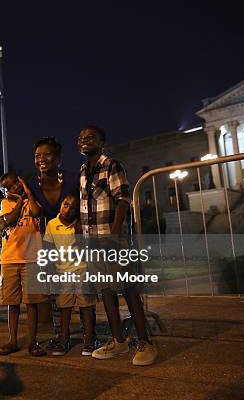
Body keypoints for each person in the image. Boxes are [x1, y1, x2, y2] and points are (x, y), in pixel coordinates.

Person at [77, 125, 158, 366]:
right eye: (80, 138)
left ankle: (145, 342)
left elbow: (122, 200)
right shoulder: (83, 170)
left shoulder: (112, 165)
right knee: (106, 291)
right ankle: (118, 340)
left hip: (113, 240)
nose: (84, 141)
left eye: (90, 137)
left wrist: (113, 236)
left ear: (102, 142)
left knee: (128, 289)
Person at [27, 137, 95, 348]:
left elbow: (88, 202)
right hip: (51, 240)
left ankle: (89, 337)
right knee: (58, 291)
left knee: (85, 292)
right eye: (37, 156)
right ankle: (61, 335)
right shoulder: (32, 184)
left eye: (47, 155)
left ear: (58, 158)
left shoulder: (73, 180)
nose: (41, 159)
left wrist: (80, 223)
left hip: (78, 241)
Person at [0, 172, 48, 356]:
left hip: (31, 259)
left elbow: (37, 212)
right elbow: (9, 221)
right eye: (8, 187)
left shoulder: (31, 201)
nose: (14, 188)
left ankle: (33, 342)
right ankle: (13, 340)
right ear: (4, 192)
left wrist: (28, 193)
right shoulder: (5, 204)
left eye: (16, 183)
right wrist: (18, 200)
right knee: (12, 303)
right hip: (10, 259)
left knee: (31, 303)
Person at [44, 192, 98, 356]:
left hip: (82, 271)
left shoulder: (81, 225)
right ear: (61, 204)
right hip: (63, 273)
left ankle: (89, 341)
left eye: (73, 207)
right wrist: (52, 272)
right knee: (64, 308)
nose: (68, 209)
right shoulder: (52, 224)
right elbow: (48, 249)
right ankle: (64, 339)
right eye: (65, 204)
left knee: (86, 307)